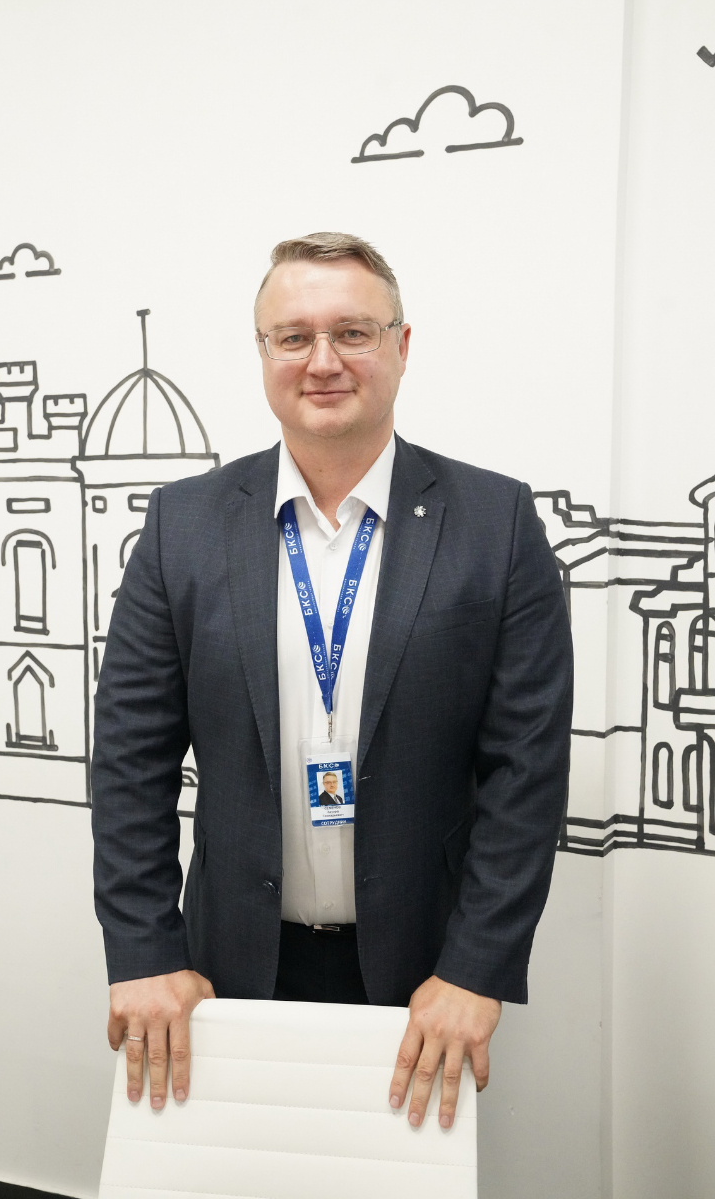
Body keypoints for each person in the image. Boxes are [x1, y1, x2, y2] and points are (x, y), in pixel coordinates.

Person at [92, 231, 573, 1132]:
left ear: (402, 345)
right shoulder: (183, 525)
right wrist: (144, 950)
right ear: (263, 353)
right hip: (225, 968)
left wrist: (475, 969)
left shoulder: (497, 523)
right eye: (293, 336)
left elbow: (528, 773)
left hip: (424, 979)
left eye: (352, 332)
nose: (322, 361)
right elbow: (129, 759)